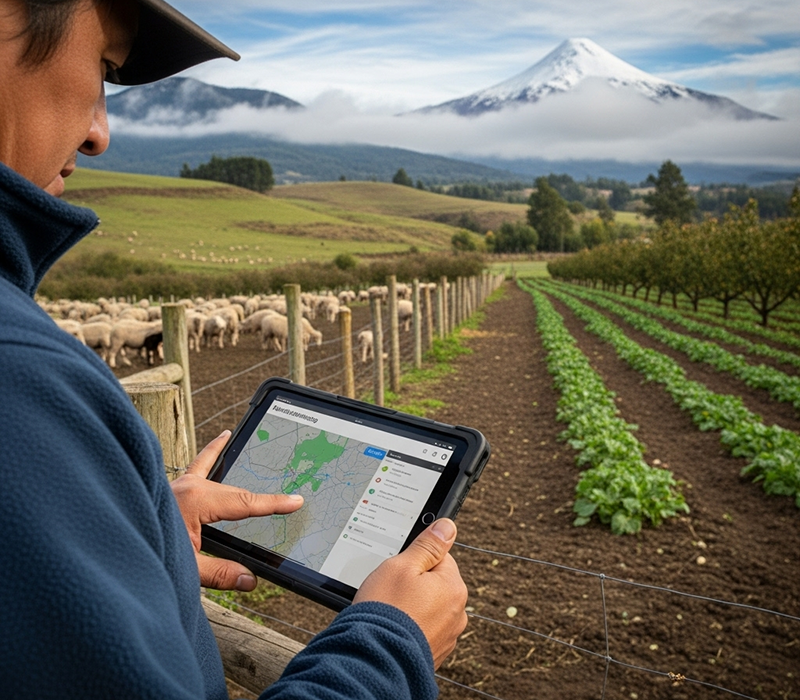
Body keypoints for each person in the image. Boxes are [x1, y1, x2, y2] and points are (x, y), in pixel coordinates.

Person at [0, 0, 468, 697]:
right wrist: (387, 647)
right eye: (103, 67)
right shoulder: (21, 381)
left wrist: (134, 533)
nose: (100, 132)